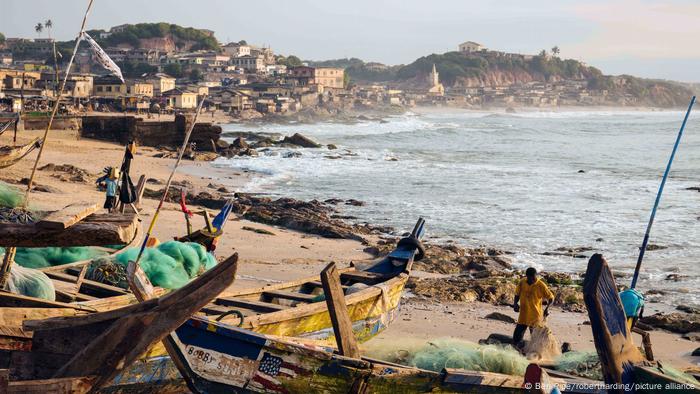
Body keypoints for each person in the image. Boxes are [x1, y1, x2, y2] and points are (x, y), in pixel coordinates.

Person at [512, 267, 555, 348]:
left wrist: (547, 308)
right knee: (517, 336)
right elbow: (517, 294)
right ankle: (517, 350)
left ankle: (536, 353)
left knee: (535, 337)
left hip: (535, 315)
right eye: (532, 278)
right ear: (528, 276)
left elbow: (551, 298)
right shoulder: (522, 282)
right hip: (523, 314)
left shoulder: (540, 285)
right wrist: (515, 304)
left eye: (535, 277)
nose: (534, 279)